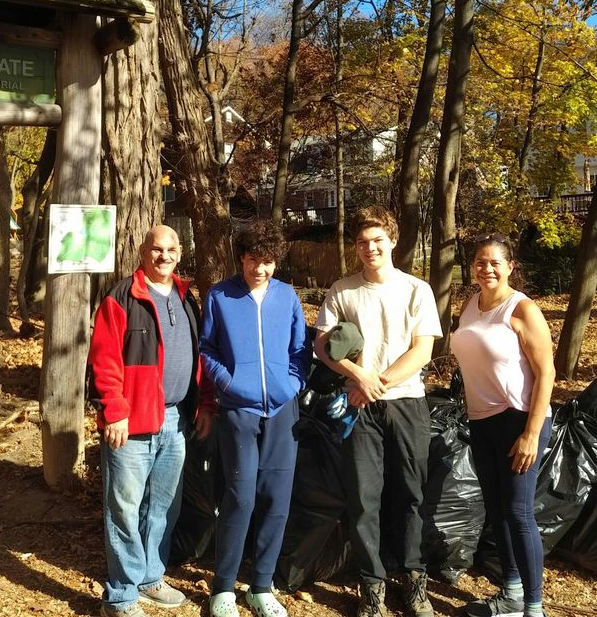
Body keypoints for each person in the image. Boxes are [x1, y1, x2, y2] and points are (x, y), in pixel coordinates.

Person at [314, 206, 441, 617]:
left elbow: (423, 350)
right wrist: (357, 375)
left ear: (393, 241)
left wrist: (376, 383)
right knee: (364, 498)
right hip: (359, 410)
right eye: (362, 242)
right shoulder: (343, 291)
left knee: (411, 494)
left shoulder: (416, 290)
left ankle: (414, 579)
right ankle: (372, 586)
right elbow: (322, 345)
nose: (370, 248)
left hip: (406, 404)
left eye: (377, 240)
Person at [88, 225, 215, 617]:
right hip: (130, 421)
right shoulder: (122, 297)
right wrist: (114, 410)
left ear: (180, 253)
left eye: (171, 249)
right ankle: (122, 595)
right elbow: (104, 359)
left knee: (163, 506)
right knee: (124, 509)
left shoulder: (186, 297)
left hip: (176, 420)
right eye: (157, 249)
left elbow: (199, 357)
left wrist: (205, 404)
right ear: (143, 252)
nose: (164, 256)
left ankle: (149, 576)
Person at [199, 221, 309, 617]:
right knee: (240, 497)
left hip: (282, 411)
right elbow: (207, 348)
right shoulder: (220, 296)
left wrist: (291, 384)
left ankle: (261, 586)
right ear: (241, 258)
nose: (259, 269)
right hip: (238, 412)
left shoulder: (287, 296)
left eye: (267, 262)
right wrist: (229, 383)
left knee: (276, 500)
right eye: (252, 260)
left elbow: (300, 349)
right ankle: (223, 588)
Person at [449, 234, 554, 617]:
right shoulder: (470, 304)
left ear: (510, 266)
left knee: (518, 511)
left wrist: (531, 433)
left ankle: (534, 608)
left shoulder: (523, 309)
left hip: (518, 420)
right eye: (480, 262)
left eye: (495, 262)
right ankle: (511, 593)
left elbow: (547, 374)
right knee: (496, 510)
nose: (487, 269)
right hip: (482, 421)